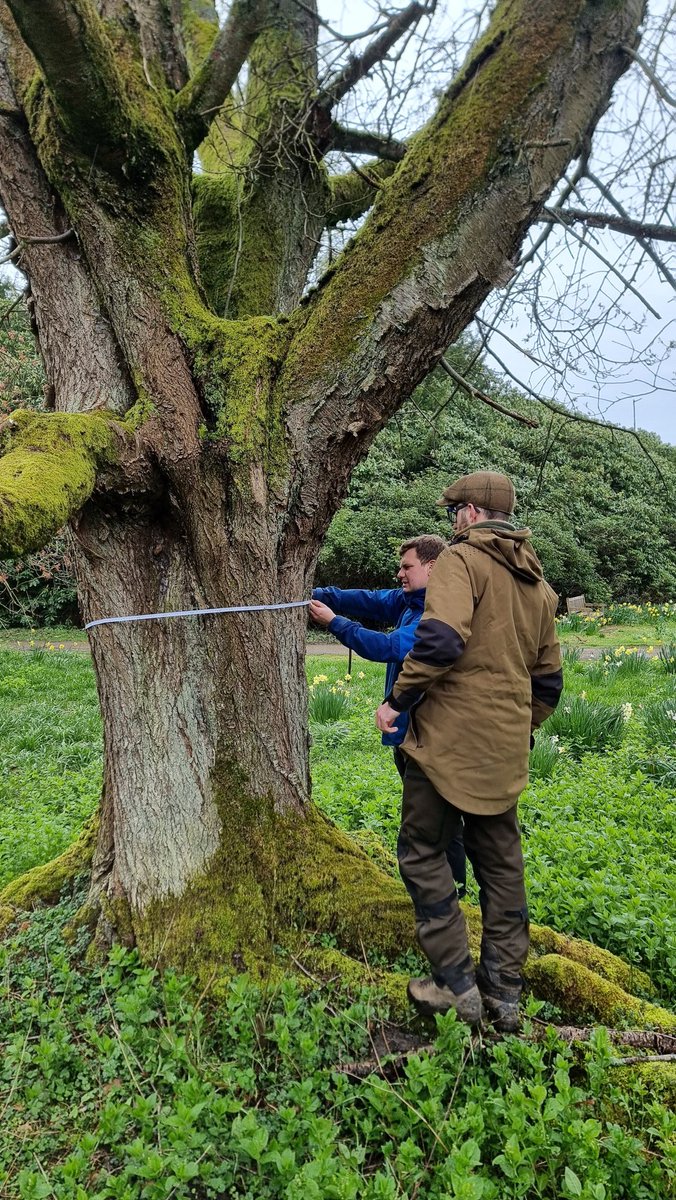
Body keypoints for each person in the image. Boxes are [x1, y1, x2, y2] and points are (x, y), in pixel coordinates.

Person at [375, 472, 562, 1032]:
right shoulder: (538, 585)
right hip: (504, 752)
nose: (453, 520)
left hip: (444, 748)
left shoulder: (460, 560)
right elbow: (548, 683)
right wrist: (516, 725)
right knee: (501, 866)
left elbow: (441, 640)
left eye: (455, 510)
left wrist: (398, 701)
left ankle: (455, 984)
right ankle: (503, 994)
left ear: (474, 513)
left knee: (422, 851)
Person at [310, 535, 468, 898]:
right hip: (410, 733)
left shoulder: (437, 613)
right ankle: (452, 895)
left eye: (407, 566)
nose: (399, 573)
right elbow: (369, 599)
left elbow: (387, 647)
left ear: (432, 567)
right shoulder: (409, 600)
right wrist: (320, 594)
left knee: (428, 824)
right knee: (440, 822)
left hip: (429, 737)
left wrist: (334, 622)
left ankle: (442, 902)